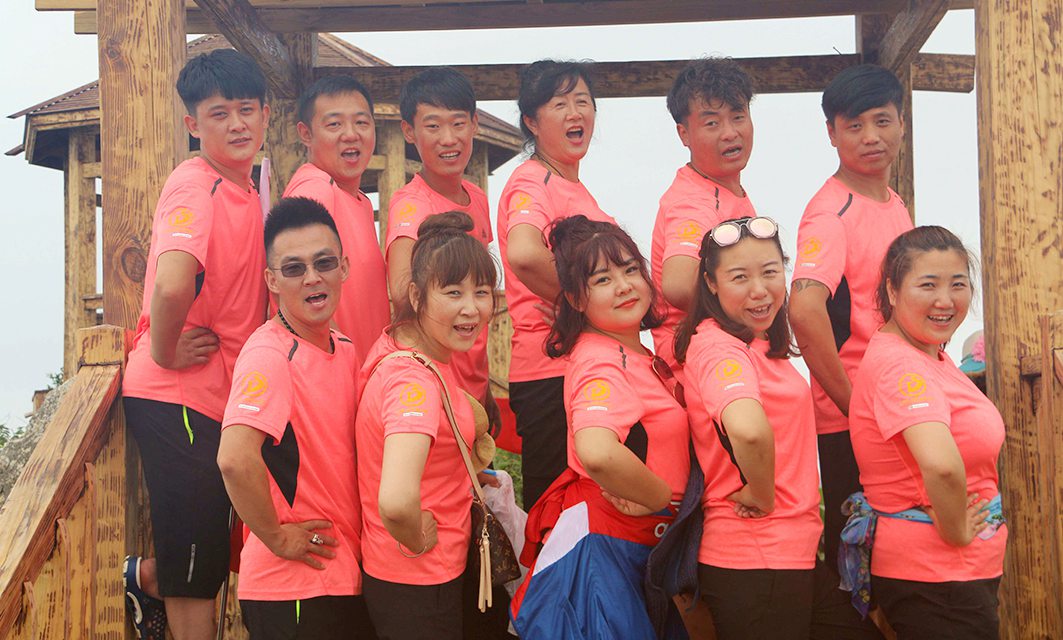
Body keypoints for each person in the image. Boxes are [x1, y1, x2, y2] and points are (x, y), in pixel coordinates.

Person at [121, 49, 270, 640]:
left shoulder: (248, 187)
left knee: (204, 548)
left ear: (265, 114)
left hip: (217, 395)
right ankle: (152, 581)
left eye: (246, 110)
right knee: (194, 565)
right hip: (177, 393)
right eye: (219, 114)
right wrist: (162, 350)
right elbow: (172, 281)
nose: (237, 124)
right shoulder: (195, 183)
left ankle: (146, 579)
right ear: (193, 124)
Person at [675, 217, 882, 639]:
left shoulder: (760, 346)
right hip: (754, 556)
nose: (760, 290)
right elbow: (748, 430)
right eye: (739, 277)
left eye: (770, 272)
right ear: (711, 284)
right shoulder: (718, 347)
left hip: (790, 555)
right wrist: (761, 492)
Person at [509, 215, 689, 640]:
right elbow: (597, 450)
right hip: (602, 553)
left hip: (633, 549)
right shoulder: (601, 359)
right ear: (575, 299)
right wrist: (658, 497)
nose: (624, 285)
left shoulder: (634, 353)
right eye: (603, 279)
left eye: (630, 270)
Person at [217, 197, 373, 639]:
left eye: (324, 263)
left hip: (341, 576)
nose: (312, 278)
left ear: (344, 267)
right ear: (272, 280)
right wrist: (276, 537)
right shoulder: (269, 355)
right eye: (293, 268)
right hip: (291, 587)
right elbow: (234, 458)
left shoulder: (345, 348)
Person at [844, 226, 1006, 638]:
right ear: (892, 290)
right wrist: (957, 531)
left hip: (954, 576)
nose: (945, 300)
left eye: (958, 285)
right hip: (938, 576)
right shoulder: (902, 366)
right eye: (928, 285)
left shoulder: (929, 355)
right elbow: (941, 465)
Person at [788, 64, 914, 572]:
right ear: (831, 133)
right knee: (860, 571)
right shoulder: (830, 213)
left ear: (901, 121)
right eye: (854, 125)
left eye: (882, 121)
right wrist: (855, 406)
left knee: (900, 557)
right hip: (853, 424)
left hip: (897, 407)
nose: (870, 137)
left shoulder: (893, 203)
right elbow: (803, 308)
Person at [355, 212, 497, 640]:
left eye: (482, 292)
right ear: (416, 296)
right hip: (418, 579)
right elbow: (397, 501)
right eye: (453, 292)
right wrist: (416, 539)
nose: (471, 308)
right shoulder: (411, 381)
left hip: (419, 575)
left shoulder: (408, 347)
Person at [498, 60, 616, 509]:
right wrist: (588, 309)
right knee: (554, 513)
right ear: (532, 121)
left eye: (583, 101)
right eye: (560, 104)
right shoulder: (532, 180)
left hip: (580, 367)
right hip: (550, 372)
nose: (575, 113)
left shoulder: (576, 188)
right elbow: (525, 254)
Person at [386, 66, 496, 414]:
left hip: (474, 382)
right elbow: (401, 292)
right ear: (409, 131)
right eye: (433, 126)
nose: (448, 138)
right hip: (436, 386)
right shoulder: (411, 206)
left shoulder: (477, 198)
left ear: (474, 123)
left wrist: (485, 386)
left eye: (458, 123)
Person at [651, 57, 758, 381]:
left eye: (738, 116)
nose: (730, 133)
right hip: (706, 374)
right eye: (712, 123)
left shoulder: (725, 190)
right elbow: (678, 283)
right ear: (684, 133)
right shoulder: (693, 201)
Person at [283, 75, 389, 363]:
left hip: (364, 373)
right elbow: (290, 292)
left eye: (361, 122)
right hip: (335, 374)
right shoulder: (315, 190)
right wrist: (339, 361)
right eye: (334, 124)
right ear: (306, 134)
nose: (351, 134)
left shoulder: (360, 202)